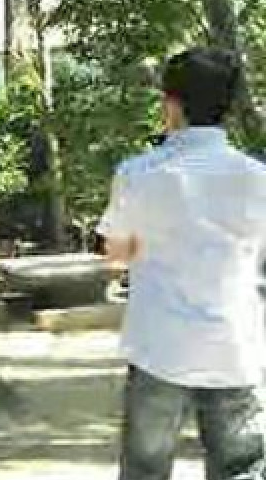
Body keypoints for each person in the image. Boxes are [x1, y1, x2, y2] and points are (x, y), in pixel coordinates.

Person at [97, 47, 266, 480]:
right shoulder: (256, 178)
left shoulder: (137, 173)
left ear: (171, 104)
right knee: (241, 468)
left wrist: (148, 245)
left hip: (159, 345)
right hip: (235, 345)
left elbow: (115, 255)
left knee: (145, 470)